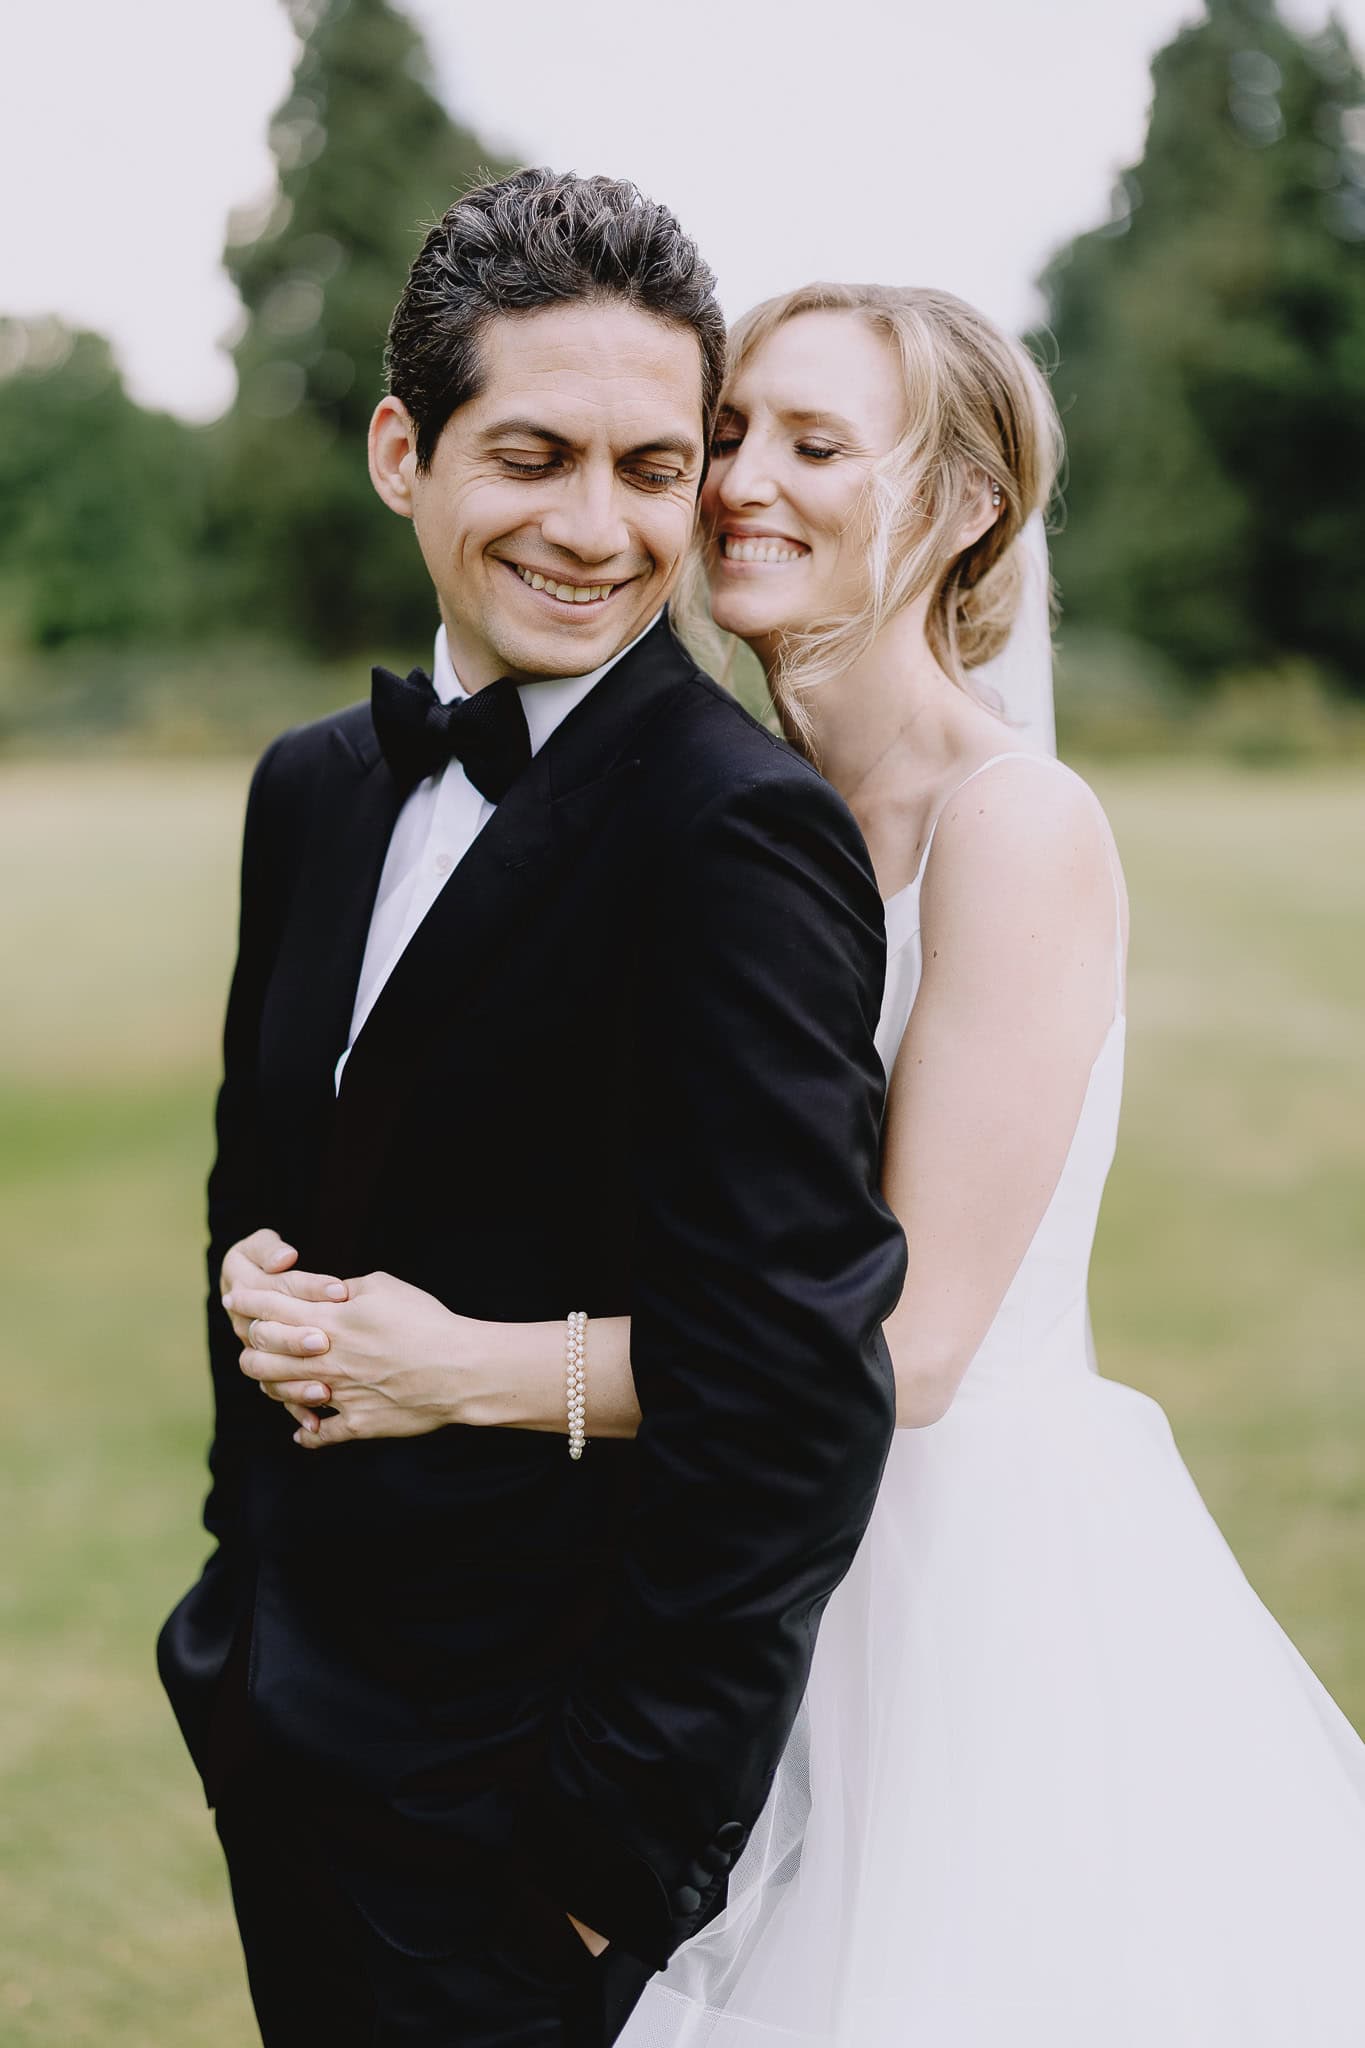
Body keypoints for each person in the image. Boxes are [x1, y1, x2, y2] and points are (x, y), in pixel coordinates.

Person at [241, 280, 1365, 2044]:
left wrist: (466, 1371)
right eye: (736, 432)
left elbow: (902, 1353)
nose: (741, 483)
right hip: (667, 1582)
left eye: (817, 444)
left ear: (968, 502)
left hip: (943, 1595)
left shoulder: (1015, 831)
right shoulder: (711, 804)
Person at [157, 180, 907, 2048]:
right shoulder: (312, 786)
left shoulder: (735, 833)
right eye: (533, 456)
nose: (596, 529)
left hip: (519, 1829)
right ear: (401, 451)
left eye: (653, 468)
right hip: (280, 1719)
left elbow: (795, 1386)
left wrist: (606, 1857)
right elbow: (266, 1189)